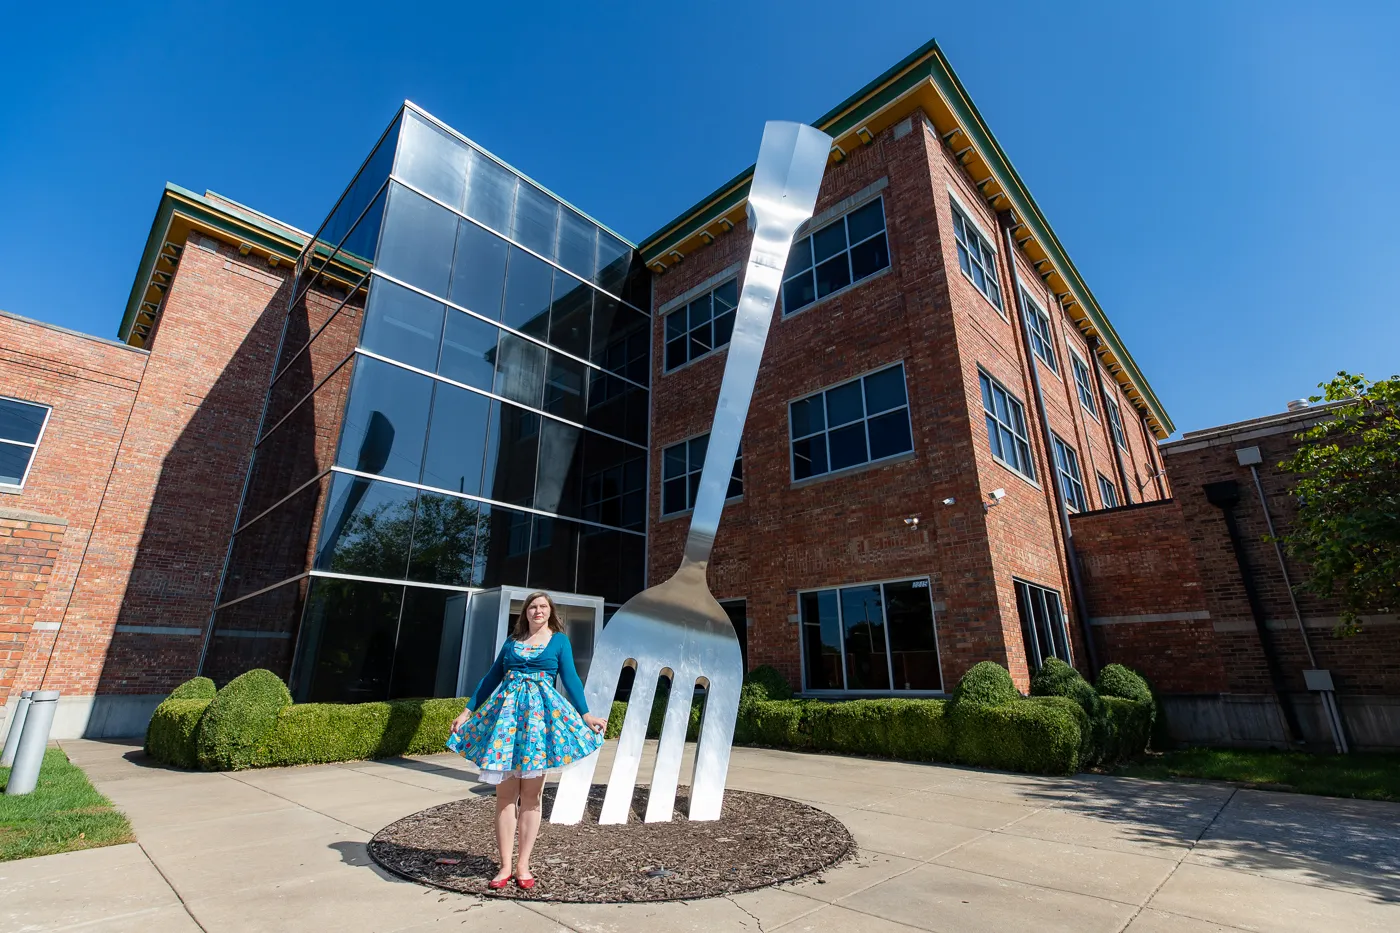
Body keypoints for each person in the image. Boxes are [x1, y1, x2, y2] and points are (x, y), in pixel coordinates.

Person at [448, 591, 607, 890]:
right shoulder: (512, 642)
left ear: (550, 611)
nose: (538, 611)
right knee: (505, 797)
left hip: (539, 724)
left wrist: (586, 715)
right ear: (525, 612)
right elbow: (492, 676)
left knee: (531, 797)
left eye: (543, 607)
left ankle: (523, 865)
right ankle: (505, 865)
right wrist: (468, 710)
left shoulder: (559, 641)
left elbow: (571, 678)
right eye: (533, 607)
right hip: (505, 723)